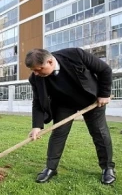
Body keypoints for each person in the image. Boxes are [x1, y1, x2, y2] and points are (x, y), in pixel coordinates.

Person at [25, 48, 115, 185]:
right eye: (33, 70)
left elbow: (105, 70)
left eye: (39, 69)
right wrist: (37, 126)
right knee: (58, 134)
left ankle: (107, 168)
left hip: (91, 100)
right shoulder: (36, 78)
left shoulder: (75, 55)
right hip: (64, 105)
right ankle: (50, 168)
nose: (36, 73)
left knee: (99, 133)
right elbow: (37, 101)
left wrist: (104, 93)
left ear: (49, 61)